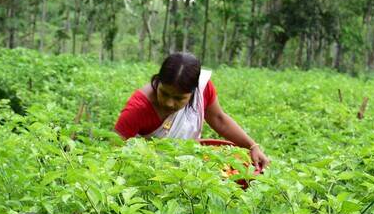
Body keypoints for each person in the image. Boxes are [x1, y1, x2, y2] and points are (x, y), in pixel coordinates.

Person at [114, 51, 270, 173]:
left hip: (189, 171)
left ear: (194, 92)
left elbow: (219, 119)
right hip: (151, 175)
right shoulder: (138, 108)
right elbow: (114, 152)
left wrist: (252, 146)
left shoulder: (203, 89)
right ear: (158, 81)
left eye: (179, 98)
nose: (169, 103)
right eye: (164, 93)